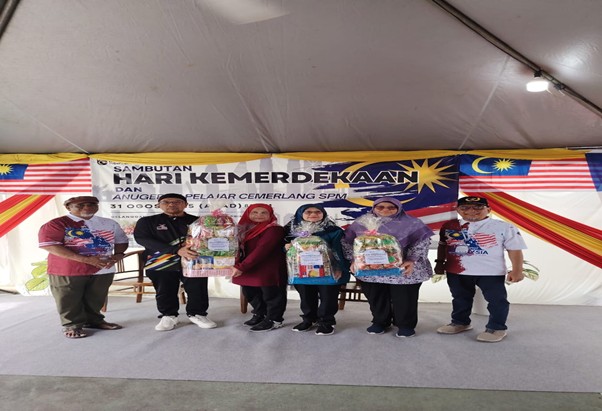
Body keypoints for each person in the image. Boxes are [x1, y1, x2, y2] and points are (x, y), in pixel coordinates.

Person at [434, 196, 527, 343]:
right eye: (465, 208)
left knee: (497, 301)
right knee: (459, 298)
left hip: (490, 272)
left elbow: (514, 249)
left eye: (478, 207)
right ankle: (460, 322)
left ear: (488, 209)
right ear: (458, 210)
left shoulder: (504, 227)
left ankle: (497, 328)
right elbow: (443, 245)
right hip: (457, 270)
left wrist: (517, 270)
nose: (471, 211)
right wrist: (440, 263)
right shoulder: (449, 226)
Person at [38, 196, 129, 339]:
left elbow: (121, 240)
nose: (87, 207)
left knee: (96, 297)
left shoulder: (108, 223)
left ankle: (94, 320)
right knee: (68, 298)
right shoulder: (57, 223)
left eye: (91, 204)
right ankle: (72, 325)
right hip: (68, 269)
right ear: (68, 207)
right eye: (80, 205)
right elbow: (50, 245)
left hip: (103, 268)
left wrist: (118, 255)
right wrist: (85, 260)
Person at [344, 197, 433, 338]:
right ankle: (380, 322)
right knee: (376, 296)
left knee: (404, 298)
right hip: (370, 268)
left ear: (399, 208)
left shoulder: (412, 223)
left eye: (391, 207)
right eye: (380, 207)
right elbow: (347, 242)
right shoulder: (361, 223)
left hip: (402, 268)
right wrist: (354, 260)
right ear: (374, 208)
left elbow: (421, 242)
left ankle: (405, 324)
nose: (385, 210)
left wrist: (412, 259)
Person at [133, 193, 216, 331]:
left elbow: (209, 240)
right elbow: (143, 239)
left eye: (177, 201)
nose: (171, 204)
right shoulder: (147, 221)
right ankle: (169, 315)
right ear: (158, 205)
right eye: (166, 202)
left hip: (193, 260)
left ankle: (198, 314)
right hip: (160, 262)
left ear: (186, 204)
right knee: (164, 290)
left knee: (198, 288)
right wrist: (176, 250)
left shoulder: (198, 221)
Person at [284, 204, 350, 336]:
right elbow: (283, 250)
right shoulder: (290, 231)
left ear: (323, 214)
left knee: (328, 297)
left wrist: (339, 268)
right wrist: (286, 247)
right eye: (308, 212)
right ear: (300, 214)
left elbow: (340, 251)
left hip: (328, 271)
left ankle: (326, 321)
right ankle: (309, 319)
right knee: (306, 296)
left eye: (317, 212)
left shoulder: (333, 230)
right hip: (300, 271)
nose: (313, 214)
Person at [231, 203, 287, 332]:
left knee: (271, 295)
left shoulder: (274, 229)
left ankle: (274, 319)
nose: (259, 215)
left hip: (268, 268)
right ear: (248, 214)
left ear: (270, 215)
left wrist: (242, 267)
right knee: (250, 293)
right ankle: (260, 313)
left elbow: (262, 250)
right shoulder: (243, 229)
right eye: (255, 212)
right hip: (248, 267)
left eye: (264, 213)